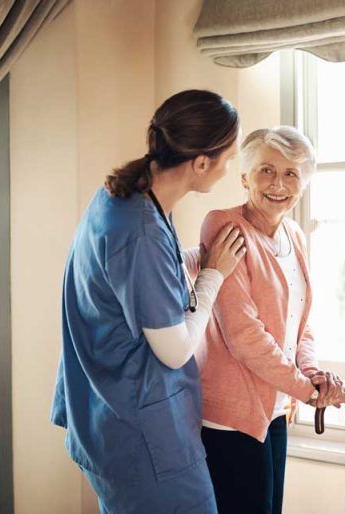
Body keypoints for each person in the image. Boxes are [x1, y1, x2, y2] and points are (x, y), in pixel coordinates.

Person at [50, 90, 245, 513]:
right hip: (142, 435)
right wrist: (213, 275)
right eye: (227, 158)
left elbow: (142, 285)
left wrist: (197, 263)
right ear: (200, 162)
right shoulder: (141, 229)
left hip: (106, 419)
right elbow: (174, 351)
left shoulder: (125, 198)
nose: (229, 169)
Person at [197, 126, 345, 514]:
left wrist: (313, 373)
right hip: (232, 419)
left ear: (303, 184)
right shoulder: (225, 225)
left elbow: (300, 322)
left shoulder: (294, 235)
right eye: (267, 170)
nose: (279, 184)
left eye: (291, 173)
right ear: (245, 177)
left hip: (276, 411)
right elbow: (243, 333)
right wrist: (307, 390)